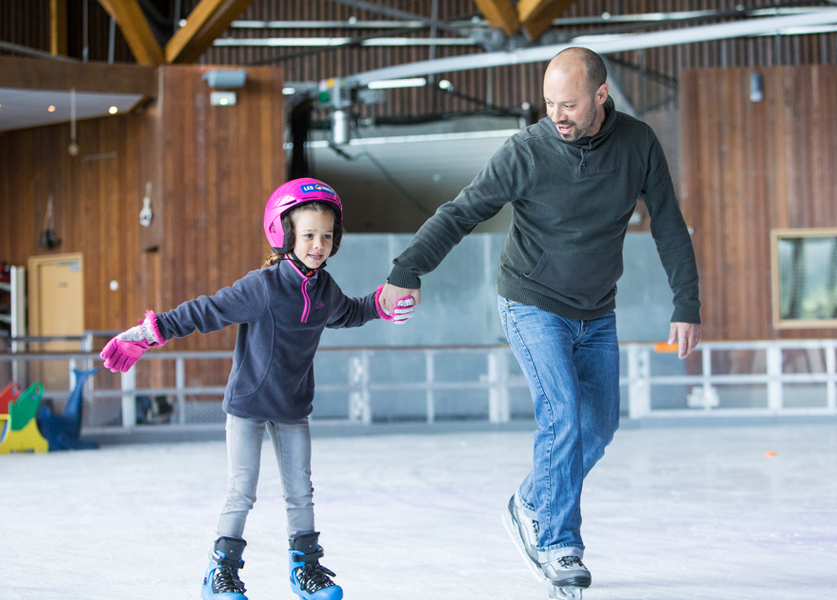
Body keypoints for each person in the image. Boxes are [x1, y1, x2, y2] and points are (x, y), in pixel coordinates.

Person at [379, 48, 702, 599]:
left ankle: (529, 502)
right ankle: (557, 544)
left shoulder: (638, 144)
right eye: (551, 102)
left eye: (570, 104)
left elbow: (669, 220)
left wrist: (686, 303)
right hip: (531, 302)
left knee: (599, 426)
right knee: (564, 414)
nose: (558, 114)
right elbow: (461, 211)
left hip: (596, 309)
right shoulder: (526, 151)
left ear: (602, 96)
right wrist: (406, 270)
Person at [100, 178, 414, 600]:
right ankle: (220, 572)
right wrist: (148, 332)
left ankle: (306, 570)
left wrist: (380, 304)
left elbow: (348, 312)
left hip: (293, 408)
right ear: (284, 235)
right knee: (241, 489)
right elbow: (205, 310)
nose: (317, 245)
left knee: (300, 491)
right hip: (248, 406)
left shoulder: (323, 289)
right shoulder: (262, 286)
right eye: (307, 236)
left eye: (326, 236)